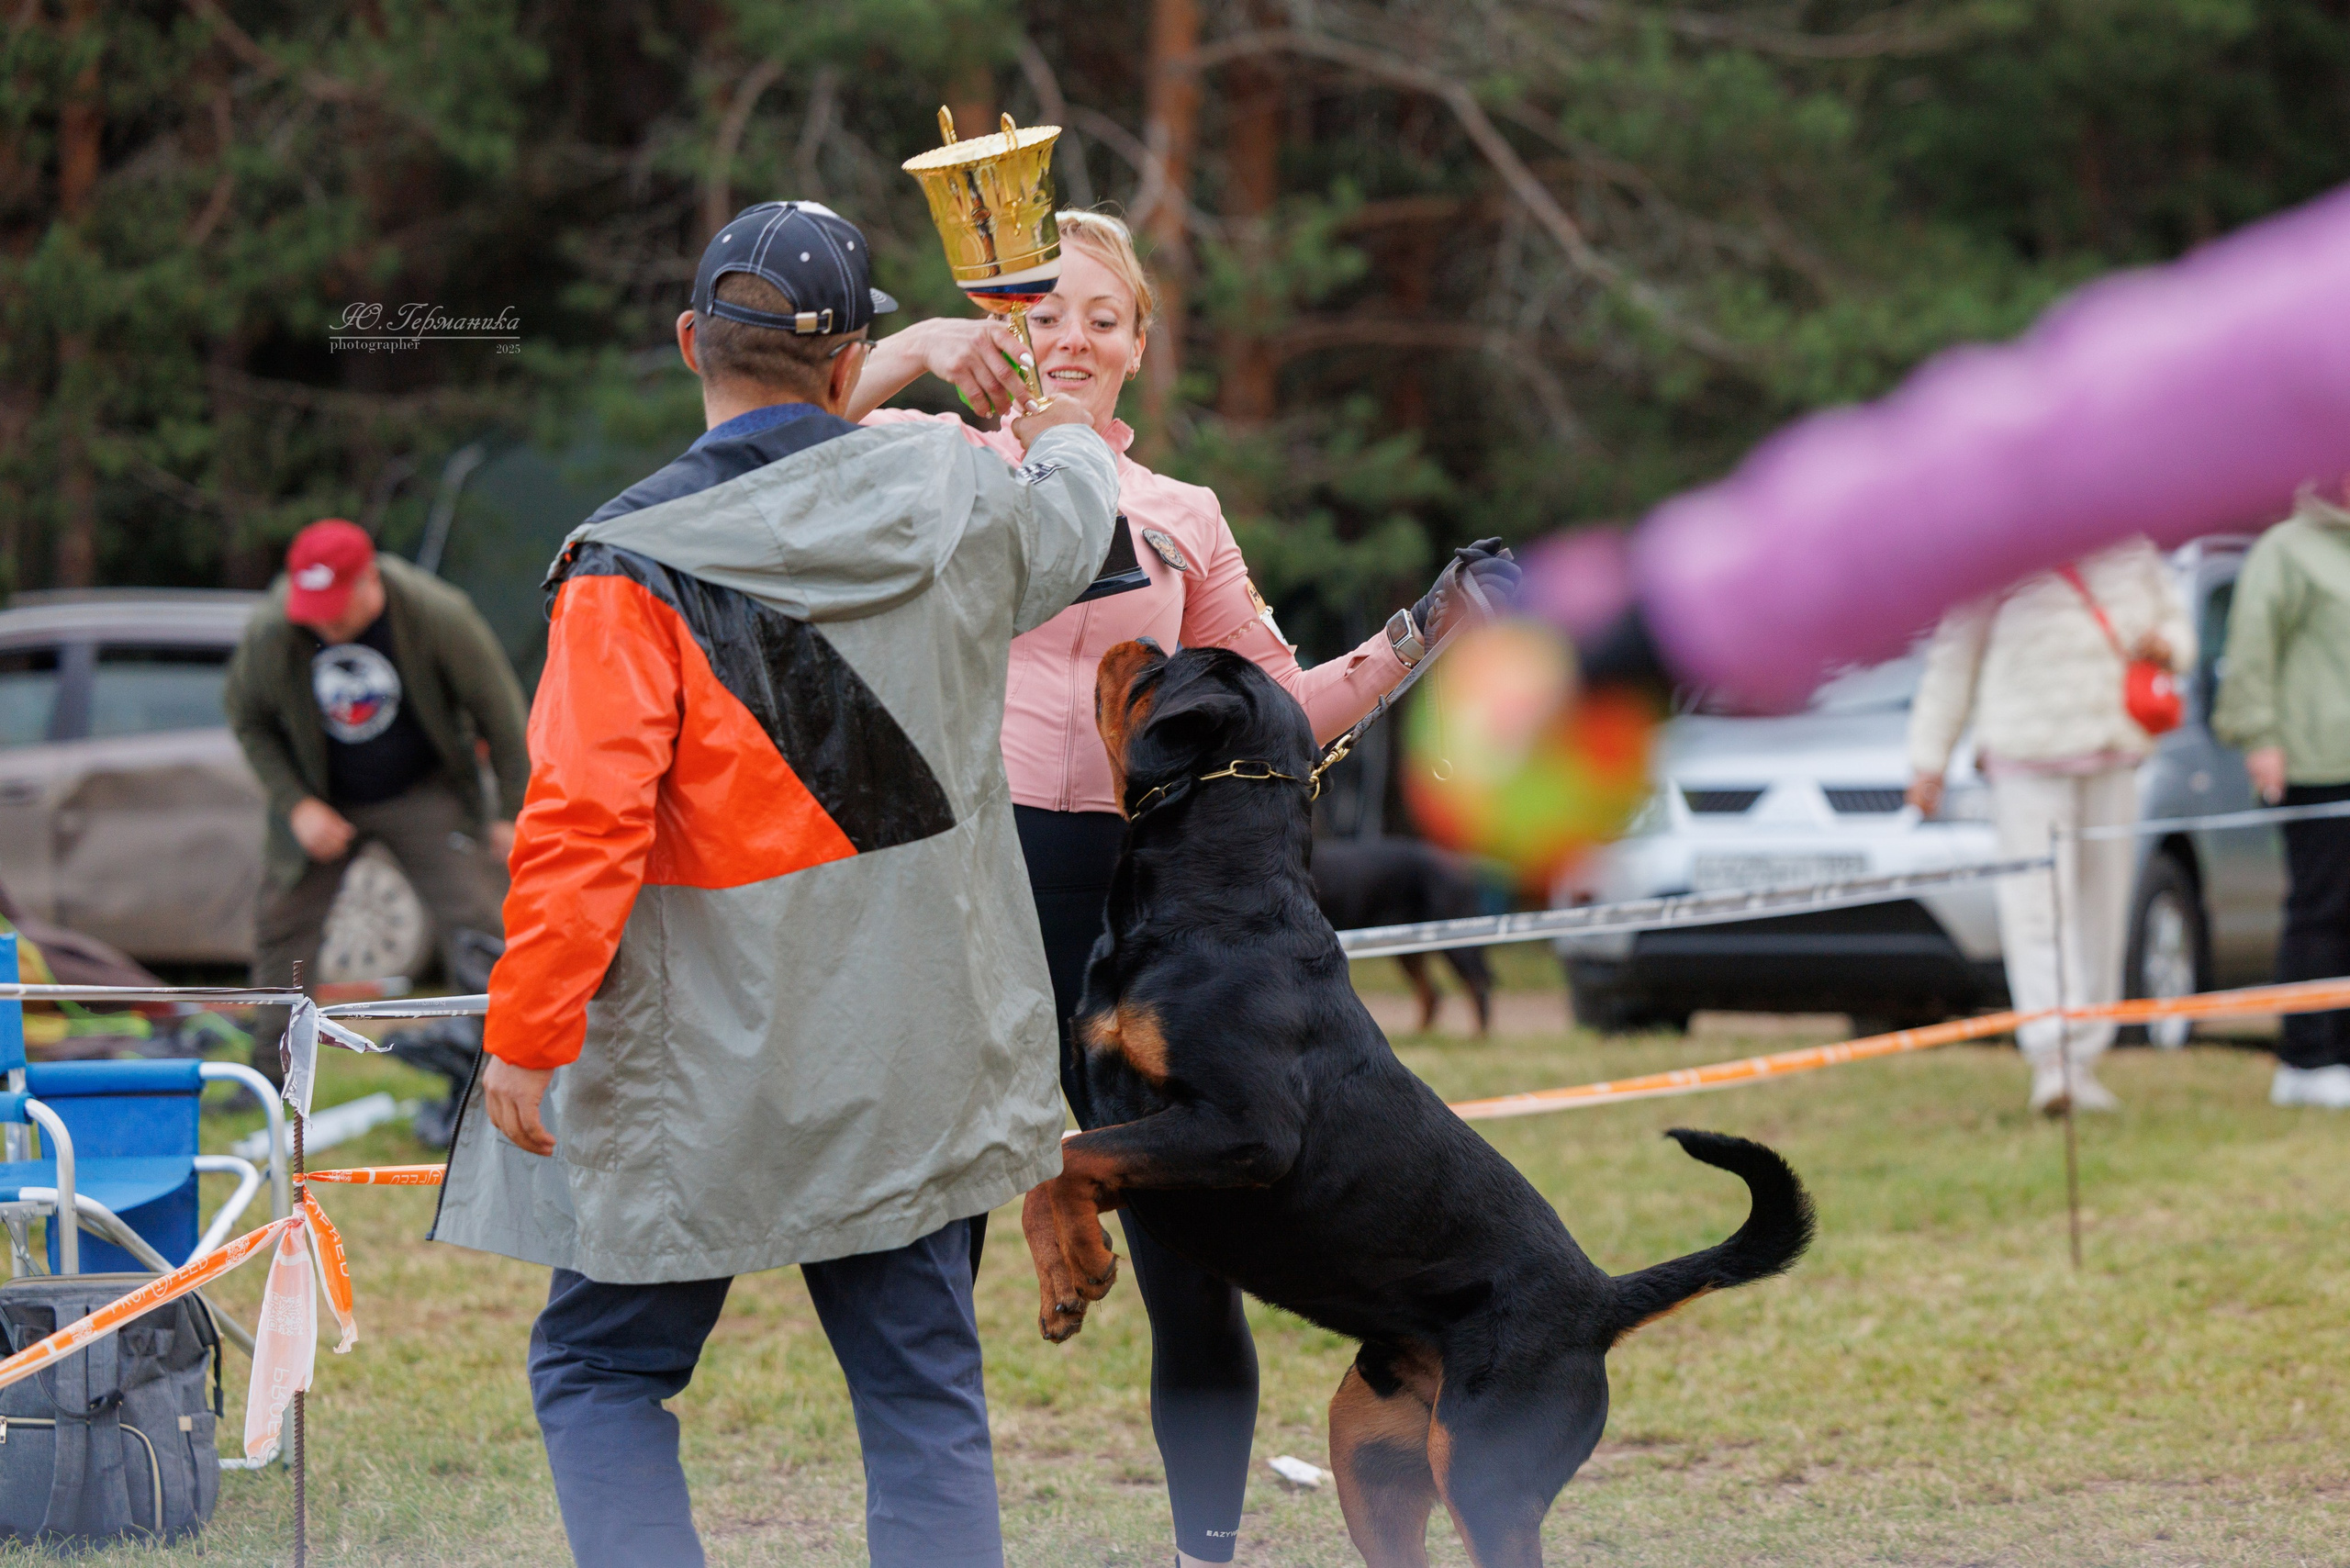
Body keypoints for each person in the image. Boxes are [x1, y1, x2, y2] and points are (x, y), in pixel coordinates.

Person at [430, 200, 1118, 1568]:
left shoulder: (629, 559)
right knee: (924, 1400)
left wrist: (526, 1031)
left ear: (690, 338)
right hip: (905, 1063)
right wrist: (1061, 428)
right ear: (848, 353)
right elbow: (1071, 526)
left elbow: (582, 823)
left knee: (601, 1375)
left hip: (705, 1078)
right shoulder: (958, 500)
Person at [850, 209, 1518, 1568]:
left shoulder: (1179, 519)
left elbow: (1283, 709)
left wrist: (1424, 629)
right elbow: (776, 434)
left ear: (1142, 344)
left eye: (1106, 318)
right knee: (932, 1260)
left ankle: (1201, 1554)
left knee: (1191, 1268)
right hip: (964, 889)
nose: (1075, 339)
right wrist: (918, 346)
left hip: (1140, 913)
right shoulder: (930, 461)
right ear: (1007, 329)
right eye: (1047, 315)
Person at [224, 519, 528, 1083]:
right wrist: (296, 804)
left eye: (337, 606)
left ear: (370, 581)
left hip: (423, 789)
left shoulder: (438, 614)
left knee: (478, 921)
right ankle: (270, 1080)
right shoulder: (275, 628)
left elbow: (502, 714)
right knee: (282, 928)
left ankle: (494, 1070)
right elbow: (249, 719)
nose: (324, 620)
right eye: (314, 607)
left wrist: (511, 813)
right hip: (324, 797)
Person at [1906, 538, 2193, 1115]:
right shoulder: (1996, 540)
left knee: (2103, 907)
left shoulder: (2130, 541)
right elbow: (1955, 653)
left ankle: (2083, 1055)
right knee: (2034, 906)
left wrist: (2170, 646)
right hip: (2024, 754)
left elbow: (2177, 621)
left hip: (2113, 747)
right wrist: (1928, 759)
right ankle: (2051, 1058)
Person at [2212, 484, 2350, 1108]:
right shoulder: (2285, 549)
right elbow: (2250, 650)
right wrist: (2259, 736)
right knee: (2320, 910)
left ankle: (2342, 1056)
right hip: (2315, 763)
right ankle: (2305, 1059)